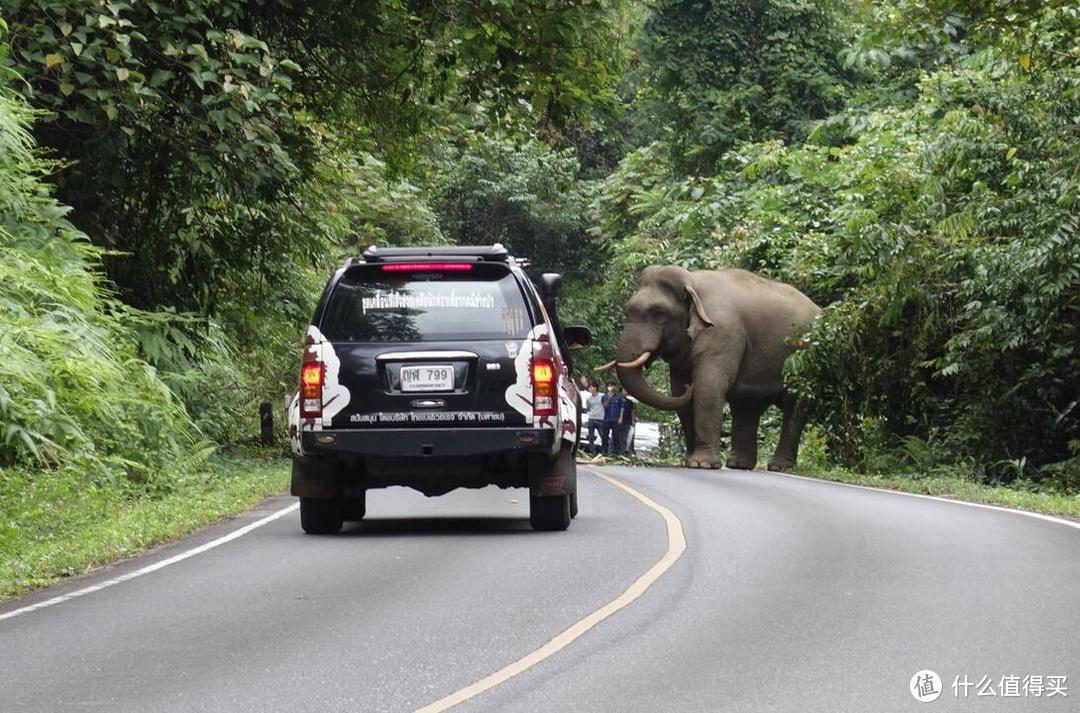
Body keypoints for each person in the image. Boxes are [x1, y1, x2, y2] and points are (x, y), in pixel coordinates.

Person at [601, 381, 623, 455]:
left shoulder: (618, 397)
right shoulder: (604, 397)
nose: (610, 387)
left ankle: (616, 452)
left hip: (615, 419)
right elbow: (605, 407)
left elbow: (622, 408)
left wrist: (620, 418)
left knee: (616, 436)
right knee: (605, 436)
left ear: (614, 387)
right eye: (609, 385)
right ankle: (604, 451)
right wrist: (609, 399)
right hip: (606, 419)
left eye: (612, 385)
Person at [584, 381, 604, 454]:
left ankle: (605, 450)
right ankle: (592, 451)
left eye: (591, 387)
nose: (590, 389)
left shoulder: (602, 396)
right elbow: (588, 408)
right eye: (589, 387)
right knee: (591, 436)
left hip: (600, 418)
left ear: (595, 388)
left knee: (603, 435)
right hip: (592, 418)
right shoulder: (588, 399)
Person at [618, 387, 636, 455]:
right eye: (624, 391)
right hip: (618, 421)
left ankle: (623, 451)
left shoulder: (630, 402)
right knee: (618, 436)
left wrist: (633, 420)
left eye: (626, 391)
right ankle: (617, 450)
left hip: (627, 421)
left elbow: (632, 411)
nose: (625, 392)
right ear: (621, 392)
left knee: (625, 437)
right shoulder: (618, 400)